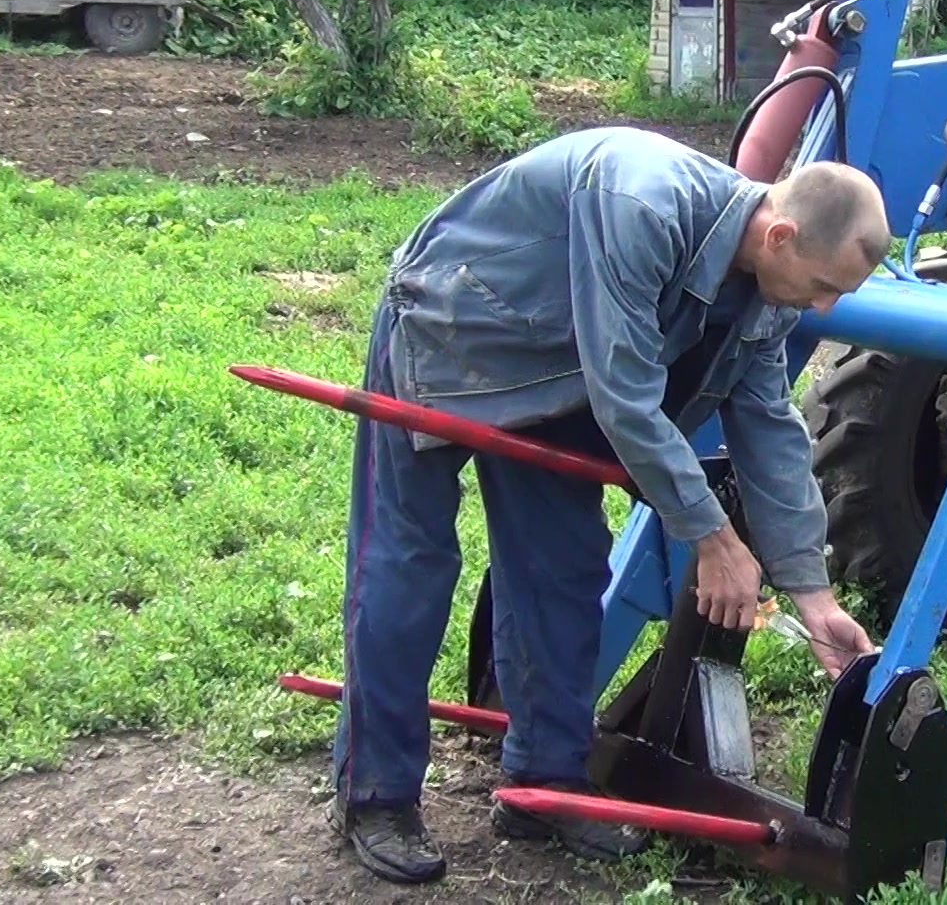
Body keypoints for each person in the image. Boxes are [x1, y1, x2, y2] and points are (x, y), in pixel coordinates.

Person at [326, 125, 891, 884]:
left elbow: (768, 428)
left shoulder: (768, 290)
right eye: (824, 287)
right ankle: (375, 795)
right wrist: (714, 541)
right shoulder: (641, 202)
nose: (822, 308)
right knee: (410, 564)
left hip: (558, 373)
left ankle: (543, 784)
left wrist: (812, 595)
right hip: (450, 324)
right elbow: (625, 396)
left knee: (563, 570)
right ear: (782, 234)